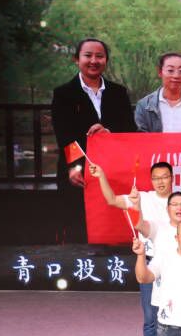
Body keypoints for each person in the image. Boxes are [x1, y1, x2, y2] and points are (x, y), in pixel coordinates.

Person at [91, 160, 177, 336]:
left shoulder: (180, 201)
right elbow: (111, 200)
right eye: (156, 178)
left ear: (172, 178)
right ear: (151, 180)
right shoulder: (142, 198)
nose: (160, 182)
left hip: (174, 264)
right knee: (150, 316)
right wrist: (101, 175)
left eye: (165, 177)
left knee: (175, 314)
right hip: (149, 261)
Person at [49, 38, 136, 242]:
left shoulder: (119, 92)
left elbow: (129, 128)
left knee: (113, 225)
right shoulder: (63, 94)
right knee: (78, 228)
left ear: (106, 60)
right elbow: (64, 134)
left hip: (113, 170)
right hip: (78, 172)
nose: (94, 61)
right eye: (88, 55)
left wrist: (108, 131)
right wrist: (75, 167)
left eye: (99, 56)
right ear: (77, 59)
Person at [134, 52, 181, 133]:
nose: (176, 76)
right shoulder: (144, 105)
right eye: (170, 70)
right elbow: (140, 137)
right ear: (160, 72)